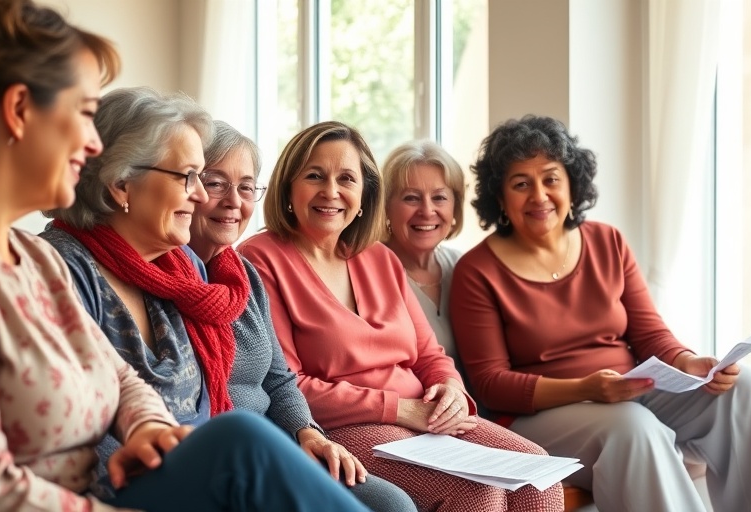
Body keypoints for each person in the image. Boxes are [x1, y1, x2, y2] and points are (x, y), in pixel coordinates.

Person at [0, 2, 368, 512]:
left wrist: (147, 425)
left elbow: (120, 377)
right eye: (84, 113)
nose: (91, 143)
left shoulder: (30, 259)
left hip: (132, 483)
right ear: (18, 111)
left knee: (241, 442)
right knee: (239, 444)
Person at [449, 114, 751, 512]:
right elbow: (490, 384)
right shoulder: (476, 271)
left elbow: (650, 334)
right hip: (539, 417)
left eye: (551, 178)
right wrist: (587, 388)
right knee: (634, 428)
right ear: (500, 198)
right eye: (521, 184)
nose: (539, 196)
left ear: (572, 185)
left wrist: (689, 362)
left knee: (747, 388)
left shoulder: (608, 241)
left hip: (627, 391)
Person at [33, 84, 369, 511]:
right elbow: (65, 430)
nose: (200, 194)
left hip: (189, 473)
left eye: (202, 178)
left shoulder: (180, 270)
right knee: (240, 437)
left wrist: (305, 431)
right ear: (121, 185)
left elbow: (226, 398)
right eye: (190, 177)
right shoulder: (59, 268)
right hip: (111, 489)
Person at [238, 121, 565, 512]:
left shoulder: (380, 257)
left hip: (425, 416)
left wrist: (451, 390)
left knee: (539, 475)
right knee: (475, 493)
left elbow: (430, 354)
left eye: (346, 178)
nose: (331, 191)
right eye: (314, 176)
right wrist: (399, 409)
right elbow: (288, 385)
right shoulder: (260, 259)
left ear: (363, 195)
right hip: (345, 426)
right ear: (289, 187)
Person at [186, 120, 416, 511]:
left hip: (284, 436)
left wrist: (305, 431)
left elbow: (279, 380)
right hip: (240, 447)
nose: (233, 201)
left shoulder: (240, 276)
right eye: (215, 183)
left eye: (244, 187)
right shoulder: (252, 260)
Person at [381, 140, 465, 362]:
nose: (427, 211)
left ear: (455, 207)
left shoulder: (463, 266)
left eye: (439, 197)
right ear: (386, 207)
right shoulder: (371, 273)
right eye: (411, 198)